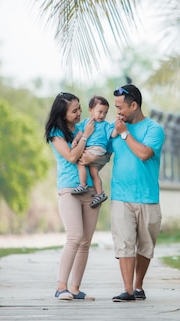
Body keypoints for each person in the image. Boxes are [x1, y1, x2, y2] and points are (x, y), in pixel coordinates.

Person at [82, 84, 164, 302]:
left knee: (146, 246)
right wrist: (89, 159)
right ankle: (128, 290)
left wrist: (125, 134)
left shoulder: (154, 129)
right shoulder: (113, 128)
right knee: (125, 244)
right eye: (115, 108)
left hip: (148, 198)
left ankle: (138, 285)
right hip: (121, 196)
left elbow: (144, 154)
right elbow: (103, 151)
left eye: (120, 107)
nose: (117, 112)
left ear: (134, 105)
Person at [44, 92, 99, 301]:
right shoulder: (56, 132)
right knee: (74, 237)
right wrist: (85, 136)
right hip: (69, 190)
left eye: (79, 109)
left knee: (85, 241)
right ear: (63, 113)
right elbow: (71, 156)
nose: (79, 113)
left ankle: (75, 289)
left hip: (91, 189)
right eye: (74, 110)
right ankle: (61, 287)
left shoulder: (83, 126)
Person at [70, 95, 117, 208]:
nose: (102, 115)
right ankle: (100, 194)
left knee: (80, 162)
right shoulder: (87, 122)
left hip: (96, 149)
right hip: (97, 151)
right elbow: (80, 133)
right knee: (94, 172)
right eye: (100, 111)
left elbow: (113, 134)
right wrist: (75, 140)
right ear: (91, 110)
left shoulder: (106, 125)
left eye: (105, 113)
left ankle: (83, 184)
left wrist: (117, 126)